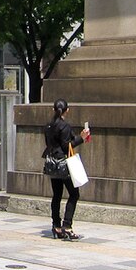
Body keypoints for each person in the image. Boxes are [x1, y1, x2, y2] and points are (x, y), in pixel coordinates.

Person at [42, 98, 90, 241]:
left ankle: (56, 225)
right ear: (67, 110)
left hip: (52, 164)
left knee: (56, 195)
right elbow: (66, 146)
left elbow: (53, 144)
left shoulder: (48, 126)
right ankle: (67, 226)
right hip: (63, 164)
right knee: (74, 194)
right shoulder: (64, 126)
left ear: (53, 110)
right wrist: (81, 138)